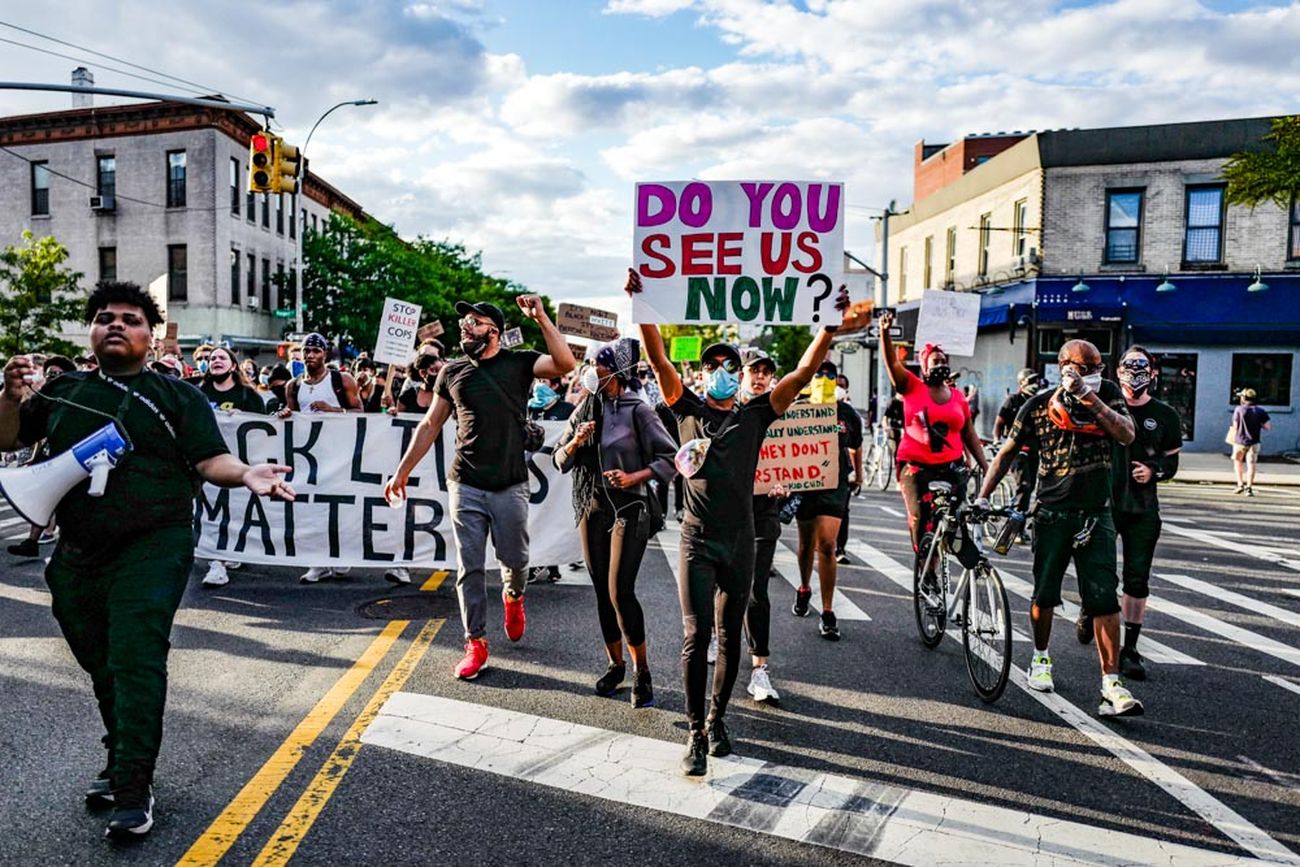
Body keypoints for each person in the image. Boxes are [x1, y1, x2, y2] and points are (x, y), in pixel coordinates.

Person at [0, 281, 294, 839]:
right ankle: (120, 755)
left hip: (154, 545)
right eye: (105, 317)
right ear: (90, 330)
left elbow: (211, 459)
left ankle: (134, 787)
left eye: (130, 319)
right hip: (78, 550)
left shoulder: (177, 397)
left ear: (150, 335)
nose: (116, 324)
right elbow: (7, 437)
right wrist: (11, 397)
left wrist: (248, 474)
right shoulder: (63, 389)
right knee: (99, 658)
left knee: (135, 656)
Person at [629, 268, 849, 777]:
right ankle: (695, 732)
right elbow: (659, 358)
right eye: (715, 365)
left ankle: (718, 717)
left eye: (731, 363)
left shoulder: (755, 414)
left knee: (731, 637)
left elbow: (800, 373)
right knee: (695, 636)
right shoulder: (683, 407)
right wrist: (643, 308)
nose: (724, 370)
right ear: (703, 374)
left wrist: (829, 328)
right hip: (697, 542)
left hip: (741, 541)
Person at [385, 297, 576, 680]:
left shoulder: (520, 363)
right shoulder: (451, 372)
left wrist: (539, 317)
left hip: (509, 485)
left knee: (515, 558)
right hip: (465, 483)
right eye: (464, 322)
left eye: (474, 322)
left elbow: (566, 364)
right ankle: (476, 642)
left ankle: (514, 595)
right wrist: (401, 471)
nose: (465, 327)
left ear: (494, 331)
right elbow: (429, 426)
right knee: (469, 567)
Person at [978, 339, 1143, 717]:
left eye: (1099, 367)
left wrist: (1090, 396)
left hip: (1095, 514)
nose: (1095, 374)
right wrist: (984, 496)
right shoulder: (1037, 405)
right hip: (1052, 512)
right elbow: (1007, 452)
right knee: (1045, 593)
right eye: (1086, 368)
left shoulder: (1109, 396)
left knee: (1104, 598)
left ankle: (1111, 685)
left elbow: (1126, 434)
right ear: (1066, 367)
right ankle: (1040, 657)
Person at [553, 337, 676, 707]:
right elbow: (560, 460)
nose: (591, 372)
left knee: (620, 591)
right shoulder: (585, 407)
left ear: (616, 371)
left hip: (630, 508)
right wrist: (576, 442)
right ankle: (615, 665)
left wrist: (634, 476)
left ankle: (643, 672)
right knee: (602, 593)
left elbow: (672, 458)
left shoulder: (639, 409)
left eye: (598, 366)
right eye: (589, 365)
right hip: (591, 509)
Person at [1087, 346, 1181, 682]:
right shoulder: (1105, 406)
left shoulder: (1165, 414)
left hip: (1143, 508)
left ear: (1153, 372)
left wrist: (1154, 471)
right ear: (1118, 370)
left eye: (1141, 366)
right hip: (1106, 504)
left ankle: (1130, 649)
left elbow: (1172, 461)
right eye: (1129, 366)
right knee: (1100, 571)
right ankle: (1091, 608)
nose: (1135, 372)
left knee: (1137, 578)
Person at [877, 311, 988, 579]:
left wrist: (986, 466)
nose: (940, 364)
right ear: (924, 366)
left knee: (959, 513)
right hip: (916, 467)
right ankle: (927, 570)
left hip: (951, 466)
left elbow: (969, 434)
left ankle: (959, 544)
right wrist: (884, 333)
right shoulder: (911, 387)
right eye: (934, 361)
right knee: (921, 520)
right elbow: (892, 364)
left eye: (943, 360)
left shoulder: (958, 397)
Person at [282, 333, 363, 584]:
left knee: (340, 507)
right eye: (307, 350)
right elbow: (293, 417)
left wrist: (334, 411)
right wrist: (285, 414)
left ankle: (340, 555)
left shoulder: (342, 380)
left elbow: (360, 411)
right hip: (310, 458)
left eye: (316, 351)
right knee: (311, 509)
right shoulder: (293, 386)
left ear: (325, 354)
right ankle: (317, 562)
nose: (310, 355)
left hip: (340, 455)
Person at [792, 361, 863, 641]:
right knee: (806, 544)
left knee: (828, 545)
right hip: (804, 483)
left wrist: (859, 473)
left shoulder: (846, 413)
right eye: (818, 374)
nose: (824, 379)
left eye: (829, 375)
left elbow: (856, 444)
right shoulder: (798, 408)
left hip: (834, 484)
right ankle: (804, 587)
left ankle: (828, 611)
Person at [195, 346, 272, 587]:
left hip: (240, 466)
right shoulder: (198, 395)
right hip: (208, 463)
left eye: (221, 357)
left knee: (236, 512)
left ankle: (231, 552)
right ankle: (216, 563)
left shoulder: (249, 396)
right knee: (211, 512)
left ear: (232, 366)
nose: (215, 361)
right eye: (212, 358)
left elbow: (263, 431)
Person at [739, 348, 784, 703]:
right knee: (722, 584)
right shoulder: (727, 410)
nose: (760, 377)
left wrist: (787, 481)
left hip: (764, 511)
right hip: (726, 512)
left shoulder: (783, 415)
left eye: (766, 372)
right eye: (754, 371)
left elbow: (799, 457)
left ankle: (759, 669)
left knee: (757, 589)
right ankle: (713, 634)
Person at [6, 354, 76, 558]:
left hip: (73, 462)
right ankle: (32, 541)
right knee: (45, 500)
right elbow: (30, 434)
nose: (51, 376)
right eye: (49, 373)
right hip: (50, 459)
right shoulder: (44, 398)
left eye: (56, 373)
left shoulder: (76, 397)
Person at [1230, 388, 1271, 496]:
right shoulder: (1260, 411)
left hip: (1240, 441)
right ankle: (1249, 487)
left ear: (1244, 398)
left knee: (1238, 462)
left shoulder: (1239, 410)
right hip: (1254, 441)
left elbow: (1235, 426)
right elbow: (1267, 427)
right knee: (1251, 464)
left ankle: (1240, 484)